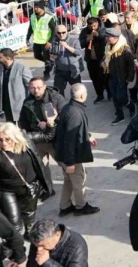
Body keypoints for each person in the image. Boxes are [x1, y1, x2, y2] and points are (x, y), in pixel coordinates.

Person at [0, 123, 52, 236]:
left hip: (30, 187)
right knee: (15, 224)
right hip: (7, 192)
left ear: (15, 137)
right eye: (0, 140)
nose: (4, 143)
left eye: (8, 139)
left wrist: (51, 123)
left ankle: (29, 233)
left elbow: (47, 136)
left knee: (29, 216)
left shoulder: (27, 141)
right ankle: (18, 246)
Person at [53, 83, 100, 216]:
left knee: (68, 181)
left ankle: (65, 206)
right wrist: (70, 162)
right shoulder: (75, 113)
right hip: (71, 157)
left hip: (64, 154)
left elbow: (76, 131)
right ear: (81, 95)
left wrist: (88, 136)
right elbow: (70, 139)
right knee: (79, 181)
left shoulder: (70, 108)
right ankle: (81, 206)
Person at [18, 76, 67, 193]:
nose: (36, 90)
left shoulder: (56, 99)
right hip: (38, 140)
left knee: (65, 165)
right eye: (33, 88)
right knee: (41, 167)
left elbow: (65, 117)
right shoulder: (28, 102)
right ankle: (48, 190)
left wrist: (50, 123)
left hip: (55, 139)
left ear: (44, 87)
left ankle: (70, 191)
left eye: (39, 88)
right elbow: (23, 121)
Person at [0, 48, 32, 123]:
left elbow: (30, 85)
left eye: (0, 57)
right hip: (5, 102)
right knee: (10, 124)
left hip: (18, 104)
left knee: (20, 127)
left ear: (8, 58)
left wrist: (30, 101)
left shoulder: (21, 68)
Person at [104, 27, 136, 124]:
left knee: (121, 97)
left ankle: (131, 107)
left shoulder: (125, 50)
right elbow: (105, 58)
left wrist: (128, 79)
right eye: (107, 36)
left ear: (115, 37)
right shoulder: (108, 47)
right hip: (111, 76)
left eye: (109, 36)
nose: (107, 38)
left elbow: (131, 65)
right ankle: (119, 115)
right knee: (114, 97)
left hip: (122, 78)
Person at [79, 17, 108, 103]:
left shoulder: (103, 29)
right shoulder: (84, 31)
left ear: (97, 23)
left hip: (102, 59)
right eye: (90, 25)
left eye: (94, 25)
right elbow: (81, 44)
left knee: (104, 77)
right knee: (94, 78)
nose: (92, 27)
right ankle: (99, 95)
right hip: (90, 60)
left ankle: (109, 92)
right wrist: (88, 39)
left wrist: (98, 35)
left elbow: (106, 41)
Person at [49, 24, 84, 96]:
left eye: (63, 32)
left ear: (67, 32)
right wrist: (52, 58)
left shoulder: (74, 40)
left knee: (77, 92)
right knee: (57, 91)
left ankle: (77, 105)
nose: (61, 35)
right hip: (60, 70)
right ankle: (61, 105)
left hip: (72, 71)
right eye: (59, 33)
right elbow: (52, 54)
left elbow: (79, 52)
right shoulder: (54, 42)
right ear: (56, 33)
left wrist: (67, 46)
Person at [26, 1, 56, 80]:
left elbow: (53, 30)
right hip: (36, 41)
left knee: (46, 58)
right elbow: (30, 28)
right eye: (34, 7)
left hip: (45, 42)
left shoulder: (48, 17)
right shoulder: (32, 16)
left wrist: (50, 41)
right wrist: (27, 37)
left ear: (42, 8)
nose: (35, 9)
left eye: (37, 7)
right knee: (37, 56)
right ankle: (50, 63)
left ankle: (46, 73)